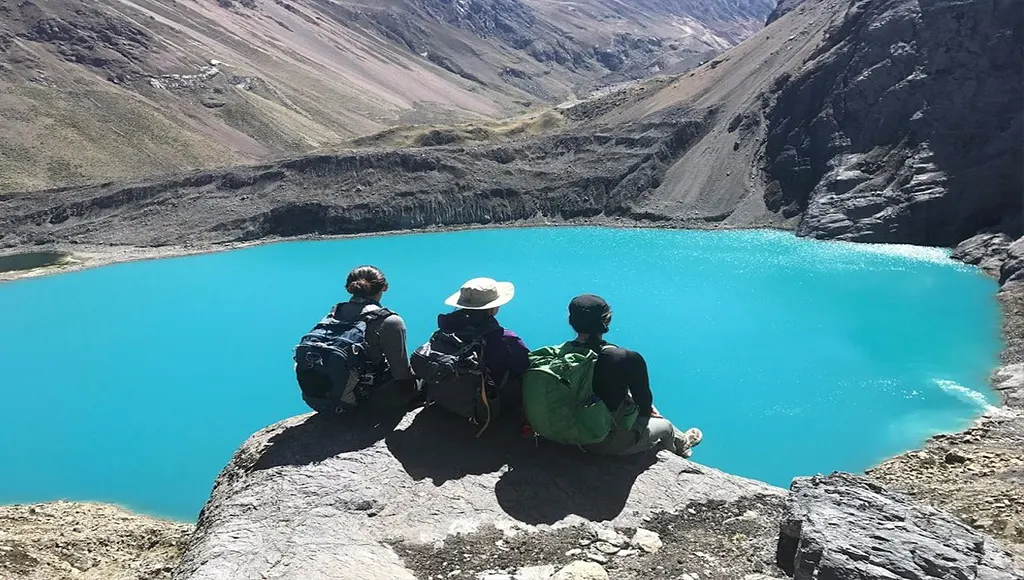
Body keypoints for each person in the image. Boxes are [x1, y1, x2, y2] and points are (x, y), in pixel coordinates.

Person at [566, 294, 702, 457]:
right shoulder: (626, 358)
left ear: (572, 321)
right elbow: (644, 406)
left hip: (565, 433)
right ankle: (680, 450)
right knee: (665, 426)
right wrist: (647, 412)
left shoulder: (561, 355)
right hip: (601, 443)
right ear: (606, 321)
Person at [294, 265, 418, 413]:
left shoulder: (334, 313)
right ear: (384, 287)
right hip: (363, 400)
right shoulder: (390, 321)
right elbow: (401, 374)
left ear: (349, 287)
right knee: (426, 378)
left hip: (320, 399)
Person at [411, 277, 530, 432]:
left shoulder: (445, 329)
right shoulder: (506, 339)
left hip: (442, 397)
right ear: (492, 308)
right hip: (482, 406)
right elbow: (525, 367)